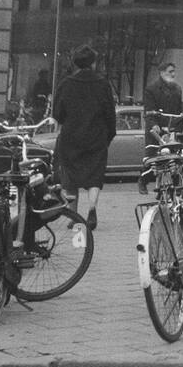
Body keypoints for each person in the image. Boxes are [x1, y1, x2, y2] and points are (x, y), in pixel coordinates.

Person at [51, 44, 117, 231]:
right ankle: (92, 209)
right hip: (96, 138)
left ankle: (74, 215)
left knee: (70, 178)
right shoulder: (103, 84)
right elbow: (110, 114)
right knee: (94, 177)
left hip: (71, 138)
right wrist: (108, 136)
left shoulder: (66, 83)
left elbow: (58, 113)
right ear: (93, 63)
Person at [143, 62, 183, 141]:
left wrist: (178, 129)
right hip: (156, 133)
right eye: (170, 72)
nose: (173, 74)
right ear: (162, 73)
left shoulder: (177, 89)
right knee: (154, 152)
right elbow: (148, 111)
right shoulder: (151, 89)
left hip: (172, 132)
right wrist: (154, 125)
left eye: (174, 71)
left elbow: (179, 110)